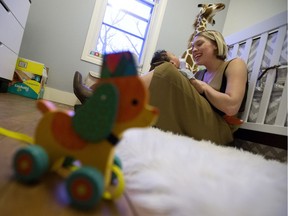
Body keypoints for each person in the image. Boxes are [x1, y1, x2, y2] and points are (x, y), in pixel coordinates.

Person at [141, 30, 248, 145]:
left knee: (167, 70)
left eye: (199, 44)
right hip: (196, 125)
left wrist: (204, 86)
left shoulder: (235, 64)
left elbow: (231, 107)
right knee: (163, 91)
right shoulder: (198, 74)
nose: (194, 50)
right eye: (192, 47)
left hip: (219, 130)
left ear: (216, 45)